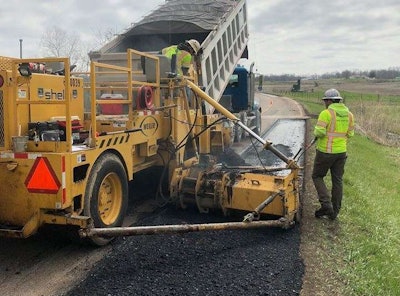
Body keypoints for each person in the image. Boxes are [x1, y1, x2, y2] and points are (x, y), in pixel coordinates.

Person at [312, 88, 354, 220]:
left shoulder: (326, 113)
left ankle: (326, 205)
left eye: (325, 101)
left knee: (317, 176)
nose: (325, 103)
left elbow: (319, 132)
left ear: (330, 101)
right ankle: (335, 212)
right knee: (338, 181)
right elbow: (350, 134)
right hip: (341, 152)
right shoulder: (349, 115)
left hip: (325, 152)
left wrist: (317, 134)